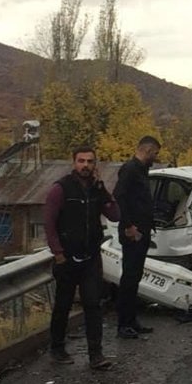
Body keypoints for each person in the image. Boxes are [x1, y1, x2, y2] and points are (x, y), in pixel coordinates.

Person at [44, 146, 119, 370]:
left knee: (93, 304)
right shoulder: (60, 189)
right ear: (73, 163)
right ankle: (57, 348)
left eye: (90, 161)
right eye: (81, 161)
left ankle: (96, 355)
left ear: (95, 165)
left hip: (90, 257)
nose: (85, 165)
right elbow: (49, 223)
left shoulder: (96, 189)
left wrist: (104, 191)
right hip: (66, 258)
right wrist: (58, 253)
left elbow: (115, 214)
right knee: (63, 305)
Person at [112, 135, 160, 339]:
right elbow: (119, 196)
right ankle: (123, 324)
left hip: (142, 231)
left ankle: (132, 320)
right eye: (155, 154)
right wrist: (128, 225)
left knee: (135, 277)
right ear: (147, 150)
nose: (156, 158)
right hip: (133, 232)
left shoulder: (141, 170)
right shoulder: (130, 169)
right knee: (129, 278)